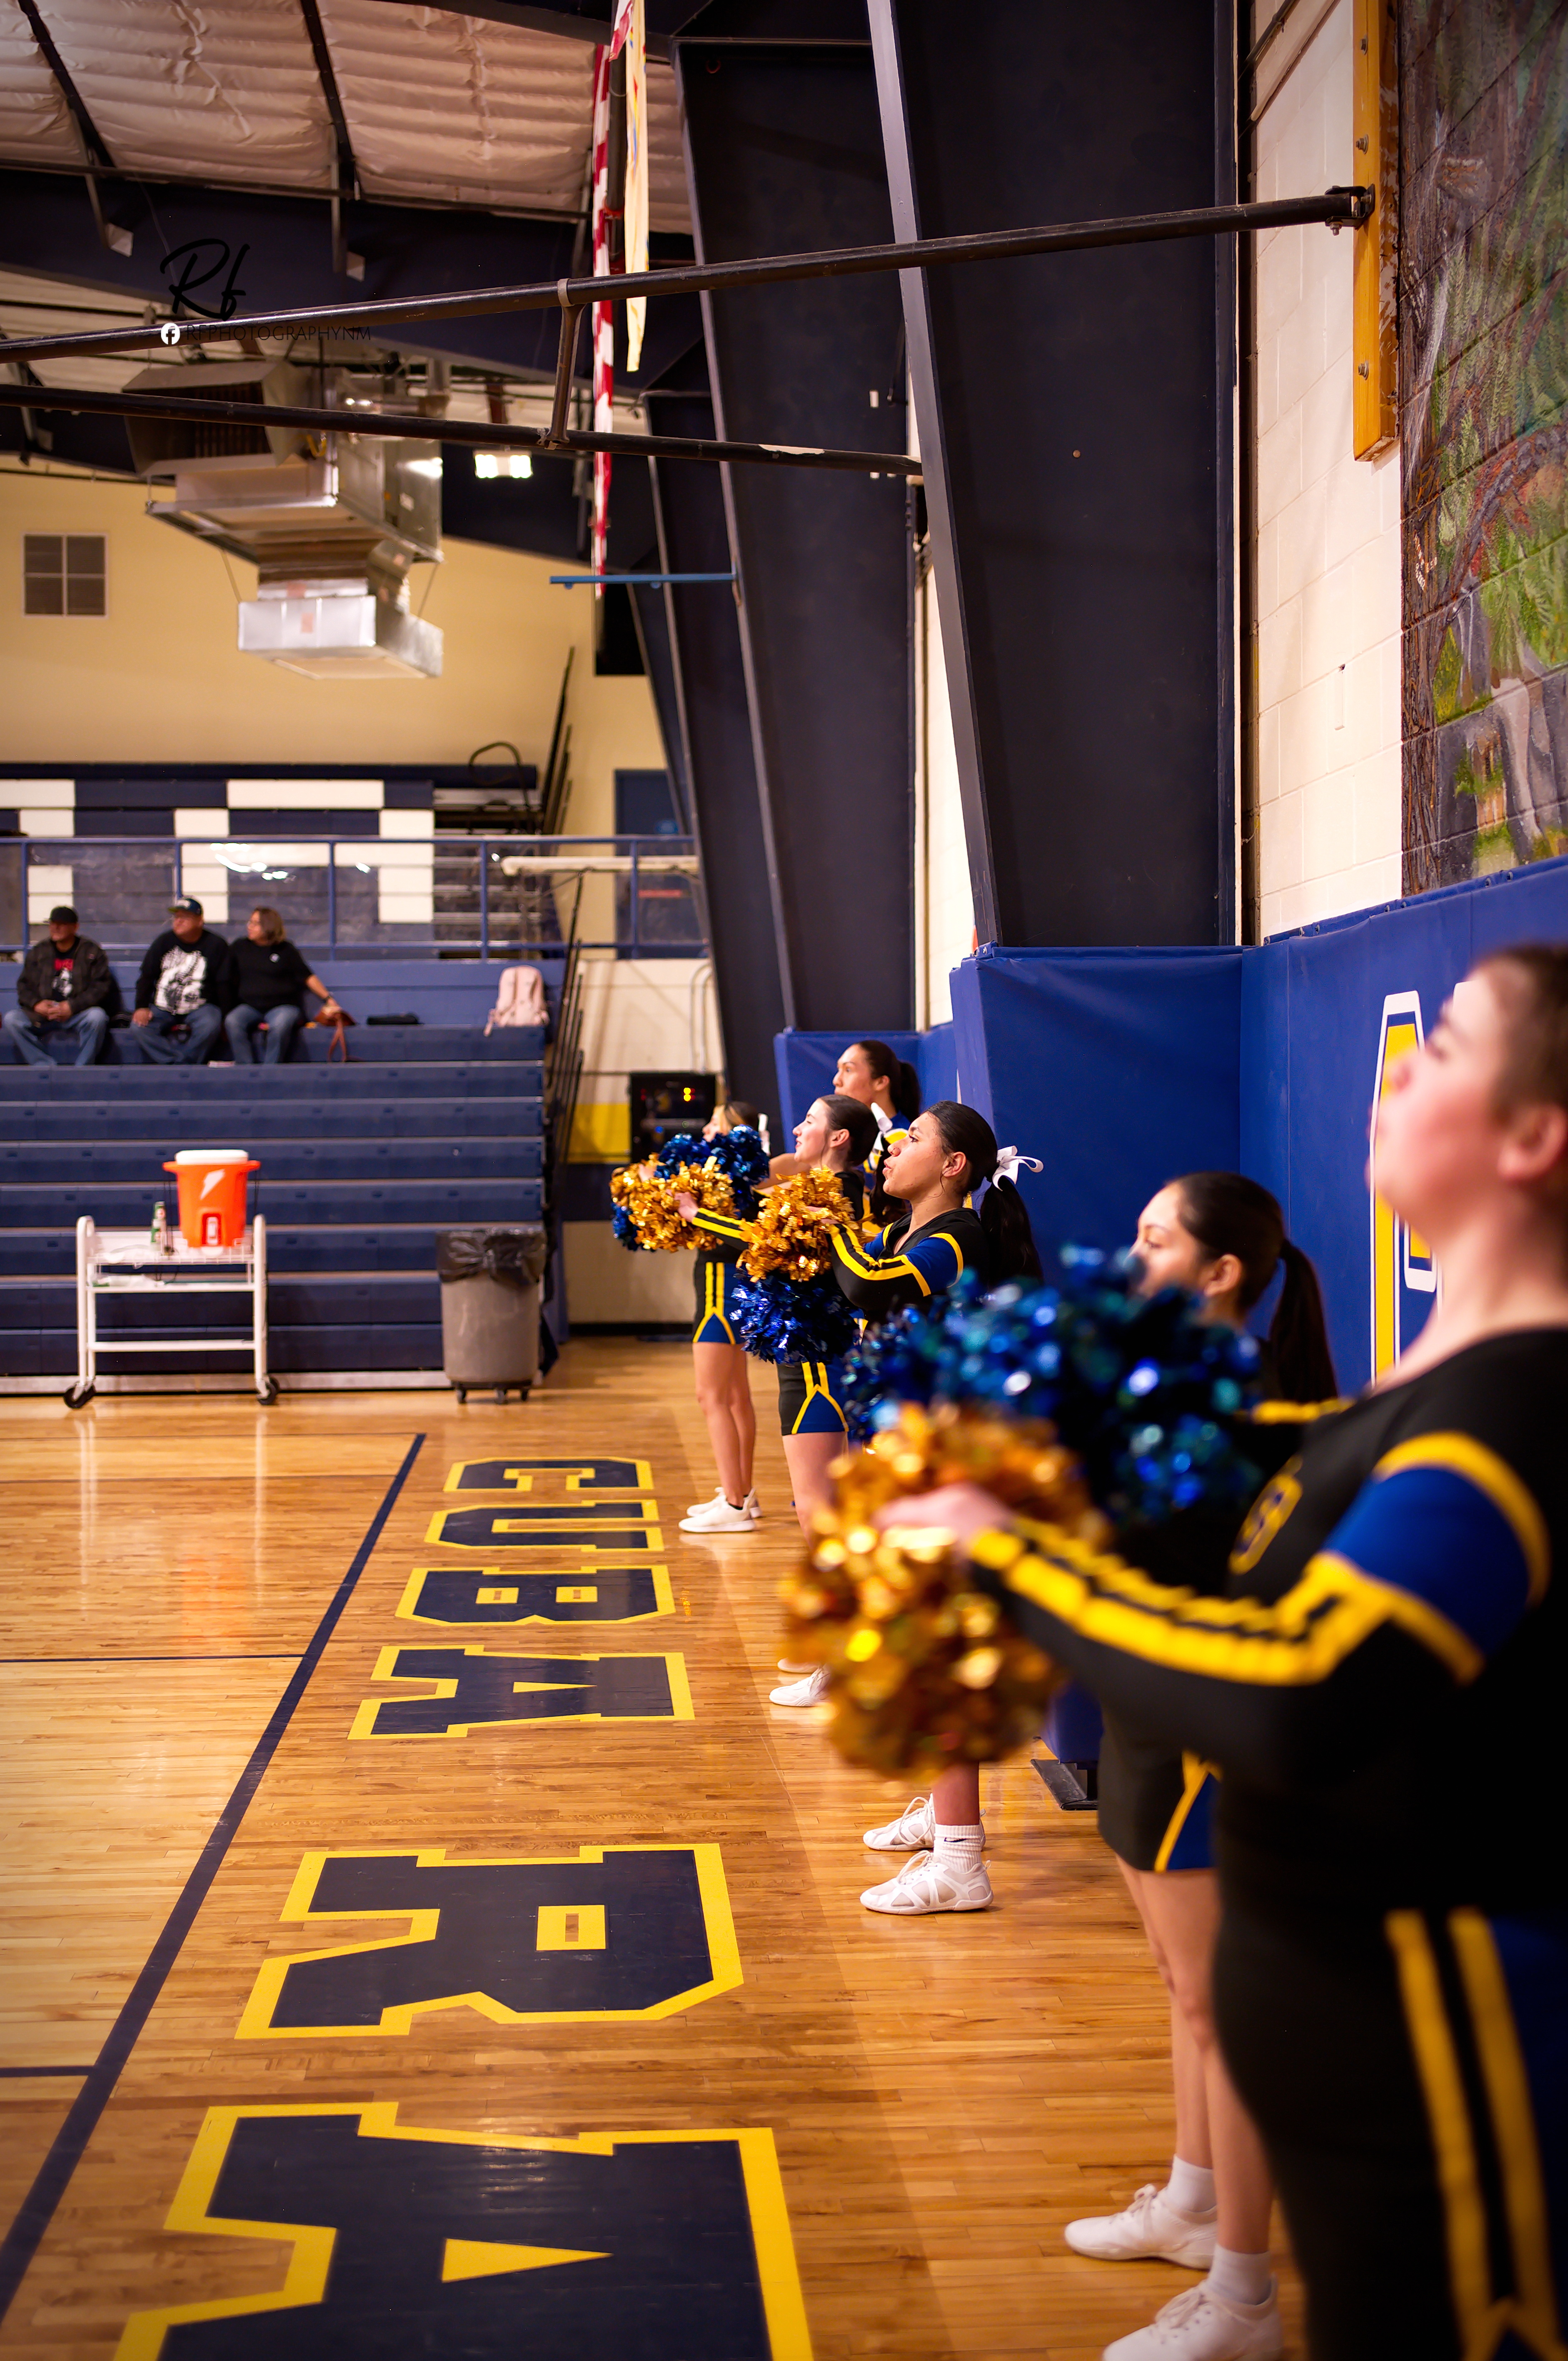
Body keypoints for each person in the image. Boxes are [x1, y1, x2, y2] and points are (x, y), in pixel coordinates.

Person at [882, 947, 1568, 2361]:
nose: (1398, 1072)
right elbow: (1278, 1468)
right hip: (1370, 2096)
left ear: (1528, 1134)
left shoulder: (1515, 1411)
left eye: (1438, 1046)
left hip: (1468, 2096)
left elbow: (1305, 1688)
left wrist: (1010, 1551)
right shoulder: (1441, 1379)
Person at [1062, 1175, 1338, 2361]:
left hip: (1196, 1744)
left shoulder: (1235, 1405)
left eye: (1151, 1238)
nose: (1130, 1258)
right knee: (1185, 1994)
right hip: (1138, 1722)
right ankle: (1188, 2202)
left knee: (1223, 2007)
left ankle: (1243, 2298)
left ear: (1218, 1271)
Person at [829, 1101, 1044, 1916]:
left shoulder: (956, 1240)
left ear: (954, 1166)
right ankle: (942, 1810)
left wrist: (829, 1216)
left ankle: (960, 1858)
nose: (893, 1146)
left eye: (913, 1138)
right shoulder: (912, 1234)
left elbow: (864, 1282)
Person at [681, 1093, 880, 1545]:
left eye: (809, 1121)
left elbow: (762, 1240)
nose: (797, 1129)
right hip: (810, 1359)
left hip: (817, 1363)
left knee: (817, 1508)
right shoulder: (826, 1185)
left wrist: (698, 1215)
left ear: (838, 1137)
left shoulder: (836, 1192)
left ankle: (844, 1603)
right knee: (820, 1503)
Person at [679, 1100, 766, 1535]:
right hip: (732, 1286)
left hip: (718, 1286)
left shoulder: (727, 1174)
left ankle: (734, 1504)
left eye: (716, 1122)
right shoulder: (742, 1173)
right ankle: (742, 1492)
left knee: (710, 1395)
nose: (708, 1129)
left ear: (737, 1131)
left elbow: (729, 1233)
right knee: (735, 1397)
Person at [224, 907, 344, 1066]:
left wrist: (328, 998)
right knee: (233, 1021)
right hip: (250, 1006)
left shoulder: (286, 950)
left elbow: (307, 976)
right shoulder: (240, 947)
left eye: (255, 924)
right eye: (250, 922)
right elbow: (226, 978)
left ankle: (270, 1070)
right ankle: (246, 1069)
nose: (249, 927)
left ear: (268, 926)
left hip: (283, 1007)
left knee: (280, 1025)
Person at [4, 905, 112, 1067]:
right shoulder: (39, 951)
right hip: (43, 1014)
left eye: (62, 924)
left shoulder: (91, 951)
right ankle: (45, 1066)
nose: (56, 928)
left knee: (97, 1017)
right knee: (12, 1019)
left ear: (75, 927)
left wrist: (72, 1006)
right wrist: (37, 1004)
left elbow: (101, 987)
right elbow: (23, 986)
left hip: (76, 1013)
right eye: (53, 923)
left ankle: (82, 1069)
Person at [130, 896, 229, 1065]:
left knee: (211, 1024)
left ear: (200, 921)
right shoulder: (163, 942)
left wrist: (225, 1016)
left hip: (200, 1007)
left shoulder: (217, 945)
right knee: (139, 1027)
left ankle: (184, 1065)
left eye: (185, 918)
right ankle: (178, 1064)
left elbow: (225, 984)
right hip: (164, 1007)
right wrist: (141, 1007)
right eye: (177, 917)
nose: (178, 922)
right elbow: (146, 976)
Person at [833, 1038, 921, 1218]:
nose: (837, 1080)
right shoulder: (848, 1133)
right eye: (839, 1069)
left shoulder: (903, 1138)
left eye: (848, 1070)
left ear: (880, 1082)